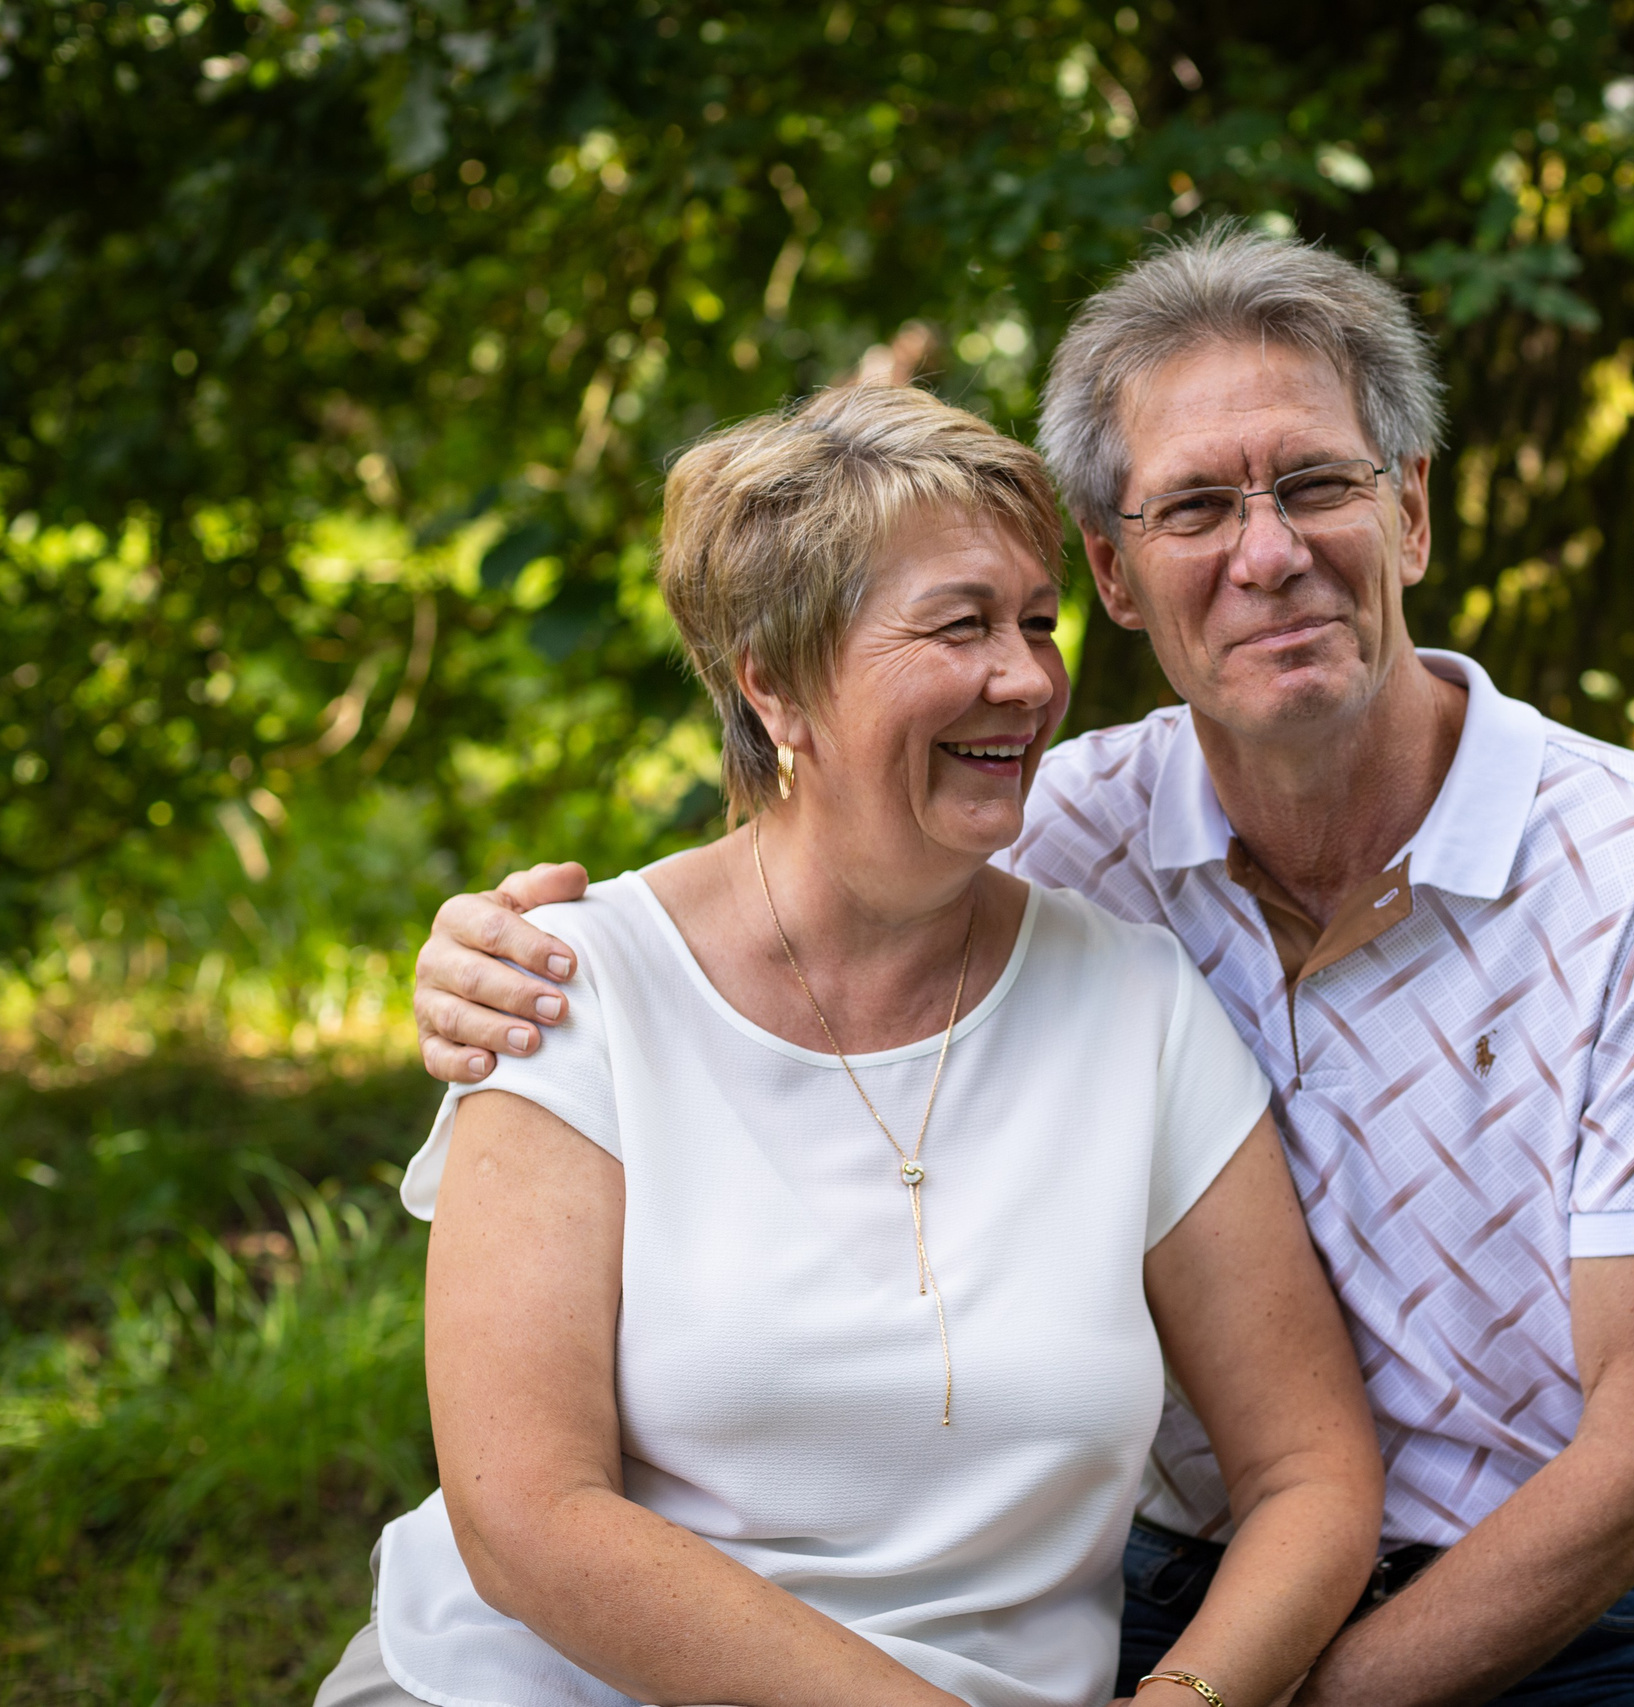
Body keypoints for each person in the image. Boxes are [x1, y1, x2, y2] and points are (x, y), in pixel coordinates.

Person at [412, 227, 1634, 1706]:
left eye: (1316, 484)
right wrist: (495, 952)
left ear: (1414, 513)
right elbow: (809, 848)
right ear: (1125, 577)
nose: (1268, 554)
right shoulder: (1044, 827)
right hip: (1160, 1577)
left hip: (1537, 1593)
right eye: (1197, 507)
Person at [319, 383, 1385, 1707]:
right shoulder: (571, 989)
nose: (1027, 679)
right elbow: (526, 1514)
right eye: (959, 626)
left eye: (1037, 623)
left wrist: (1188, 1700)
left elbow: (1312, 1473)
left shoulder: (1137, 1006)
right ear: (777, 682)